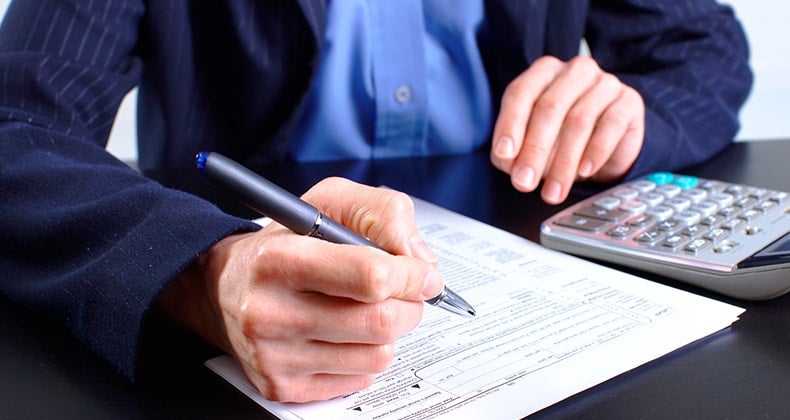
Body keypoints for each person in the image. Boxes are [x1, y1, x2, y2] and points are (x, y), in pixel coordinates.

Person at [0, 0, 751, 403]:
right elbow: (14, 129)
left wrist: (629, 115)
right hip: (243, 251)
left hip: (517, 222)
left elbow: (706, 49)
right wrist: (199, 271)